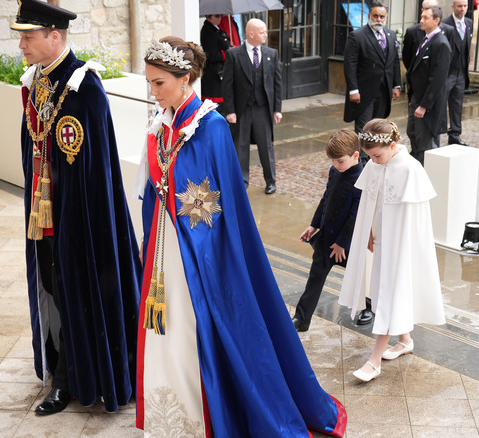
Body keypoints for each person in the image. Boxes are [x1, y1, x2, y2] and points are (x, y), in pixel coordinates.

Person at [135, 36, 347, 437]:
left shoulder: (210, 127)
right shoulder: (160, 126)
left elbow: (219, 205)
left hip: (199, 252)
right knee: (168, 328)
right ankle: (173, 413)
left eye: (159, 83)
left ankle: (210, 414)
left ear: (185, 80)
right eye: (150, 82)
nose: (153, 91)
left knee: (198, 326)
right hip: (165, 247)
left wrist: (191, 234)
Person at [11, 0, 142, 416]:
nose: (21, 46)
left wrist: (74, 220)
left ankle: (71, 380)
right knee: (52, 290)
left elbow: (94, 169)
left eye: (28, 37)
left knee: (74, 293)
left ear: (55, 36)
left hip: (80, 219)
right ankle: (61, 368)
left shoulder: (83, 87)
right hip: (44, 215)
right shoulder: (37, 82)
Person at [338, 119, 446, 383]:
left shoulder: (411, 169)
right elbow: (371, 203)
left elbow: (416, 220)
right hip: (382, 242)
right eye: (369, 157)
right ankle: (405, 340)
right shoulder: (376, 165)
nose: (372, 161)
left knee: (388, 295)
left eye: (376, 155)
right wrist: (369, 232)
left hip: (401, 245)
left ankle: (374, 360)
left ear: (393, 145)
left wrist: (403, 246)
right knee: (383, 292)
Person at [292, 130, 367, 332]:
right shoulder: (334, 172)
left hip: (347, 244)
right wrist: (313, 225)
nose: (335, 165)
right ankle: (301, 318)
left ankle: (370, 307)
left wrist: (342, 243)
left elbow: (355, 216)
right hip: (326, 239)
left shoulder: (362, 179)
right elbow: (326, 200)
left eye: (340, 161)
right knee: (315, 278)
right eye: (332, 161)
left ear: (355, 156)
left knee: (362, 277)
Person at [222, 18, 283, 194]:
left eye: (265, 31)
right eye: (262, 31)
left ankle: (271, 181)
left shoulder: (272, 53)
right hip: (241, 110)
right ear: (251, 34)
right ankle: (242, 181)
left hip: (262, 108)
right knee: (240, 146)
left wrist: (277, 109)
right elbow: (227, 85)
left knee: (266, 146)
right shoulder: (234, 54)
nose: (266, 34)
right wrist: (230, 111)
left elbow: (277, 84)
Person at [342, 1, 402, 166]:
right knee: (364, 129)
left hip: (383, 91)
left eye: (382, 16)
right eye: (375, 16)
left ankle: (377, 158)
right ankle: (362, 162)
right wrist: (353, 89)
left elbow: (394, 62)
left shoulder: (390, 35)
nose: (378, 19)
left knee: (379, 128)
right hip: (364, 92)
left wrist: (396, 85)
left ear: (386, 17)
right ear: (369, 16)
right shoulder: (357, 36)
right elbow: (350, 64)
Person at [405, 5, 451, 165]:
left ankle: (424, 177)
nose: (421, 20)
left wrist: (424, 105)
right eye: (421, 17)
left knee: (425, 143)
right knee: (412, 134)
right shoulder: (426, 39)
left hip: (427, 106)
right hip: (416, 98)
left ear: (437, 21)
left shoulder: (441, 44)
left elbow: (437, 79)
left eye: (425, 18)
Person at [443, 0, 473, 146]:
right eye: (459, 6)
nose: (462, 9)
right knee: (441, 103)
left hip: (461, 71)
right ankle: (437, 133)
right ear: (453, 6)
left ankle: (455, 134)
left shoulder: (469, 23)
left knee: (457, 104)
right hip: (448, 72)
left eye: (465, 6)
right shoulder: (445, 24)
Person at [200, 14, 230, 106]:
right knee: (216, 106)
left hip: (220, 71)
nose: (220, 18)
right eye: (217, 16)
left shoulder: (217, 29)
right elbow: (212, 55)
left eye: (221, 15)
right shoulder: (208, 31)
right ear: (208, 16)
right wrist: (228, 53)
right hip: (214, 74)